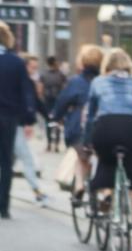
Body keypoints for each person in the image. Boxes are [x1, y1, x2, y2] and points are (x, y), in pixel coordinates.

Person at [86, 47, 132, 251]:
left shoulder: (98, 82)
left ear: (107, 66)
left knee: (105, 162)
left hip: (106, 127)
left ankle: (107, 195)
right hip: (131, 129)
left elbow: (91, 113)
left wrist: (87, 141)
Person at [51, 45, 102, 200]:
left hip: (79, 127)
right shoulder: (103, 81)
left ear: (82, 62)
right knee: (100, 156)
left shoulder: (75, 81)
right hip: (102, 126)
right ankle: (101, 190)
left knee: (81, 157)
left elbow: (62, 102)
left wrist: (55, 116)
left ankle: (79, 184)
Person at [0, 22, 36, 220]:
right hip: (8, 117)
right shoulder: (15, 62)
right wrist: (28, 119)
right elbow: (26, 92)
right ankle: (3, 206)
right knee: (6, 161)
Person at [13, 54, 49, 206]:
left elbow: (37, 103)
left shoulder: (29, 82)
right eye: (32, 67)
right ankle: (37, 191)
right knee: (26, 158)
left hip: (19, 125)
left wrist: (50, 117)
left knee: (11, 159)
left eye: (36, 68)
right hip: (16, 125)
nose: (34, 70)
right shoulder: (19, 83)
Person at [39, 56, 67, 151]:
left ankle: (49, 144)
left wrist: (41, 99)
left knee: (48, 122)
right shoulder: (61, 75)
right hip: (58, 101)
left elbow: (40, 89)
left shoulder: (43, 74)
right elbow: (64, 88)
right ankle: (56, 145)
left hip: (47, 101)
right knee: (57, 122)